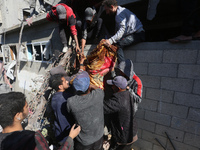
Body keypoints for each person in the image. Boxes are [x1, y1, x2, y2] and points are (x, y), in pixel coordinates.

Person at [0, 92, 81, 150]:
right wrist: (70, 138)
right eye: (26, 106)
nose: (29, 108)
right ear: (18, 115)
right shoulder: (32, 139)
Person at [67, 71, 104, 150]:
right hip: (99, 136)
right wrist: (90, 85)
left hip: (84, 142)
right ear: (89, 86)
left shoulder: (71, 102)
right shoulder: (99, 94)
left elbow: (69, 112)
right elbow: (97, 88)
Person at [104, 76, 138, 150]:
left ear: (118, 88)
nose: (112, 87)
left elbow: (103, 108)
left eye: (113, 85)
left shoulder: (118, 100)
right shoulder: (129, 94)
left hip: (124, 138)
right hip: (132, 133)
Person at [49, 73, 75, 145]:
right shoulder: (66, 98)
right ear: (60, 86)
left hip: (59, 133)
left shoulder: (54, 97)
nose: (67, 81)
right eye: (64, 81)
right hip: (66, 136)